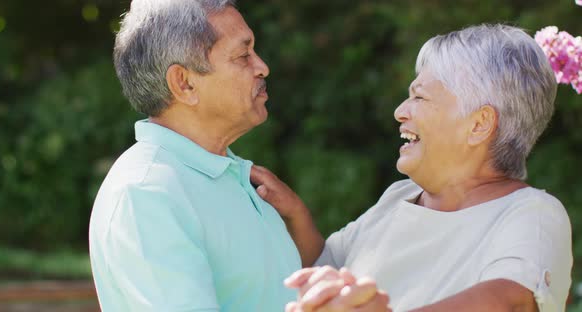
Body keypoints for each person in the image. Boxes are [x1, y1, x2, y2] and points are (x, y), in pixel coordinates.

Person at [251, 24, 573, 311]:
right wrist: (295, 214)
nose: (400, 112)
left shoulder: (533, 213)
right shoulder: (398, 197)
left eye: (419, 97)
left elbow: (509, 301)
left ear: (479, 124)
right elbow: (327, 264)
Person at [88, 1, 302, 311]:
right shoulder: (146, 194)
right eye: (243, 55)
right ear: (184, 83)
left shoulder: (235, 177)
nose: (262, 67)